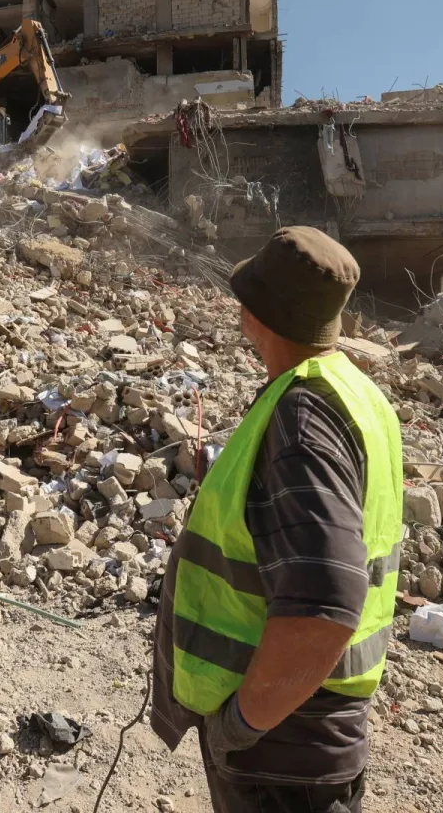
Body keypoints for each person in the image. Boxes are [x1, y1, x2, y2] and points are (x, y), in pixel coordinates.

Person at [151, 226, 404, 813]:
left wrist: (241, 723)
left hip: (281, 752)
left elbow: (326, 604)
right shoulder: (355, 394)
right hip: (311, 736)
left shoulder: (303, 419)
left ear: (257, 313)